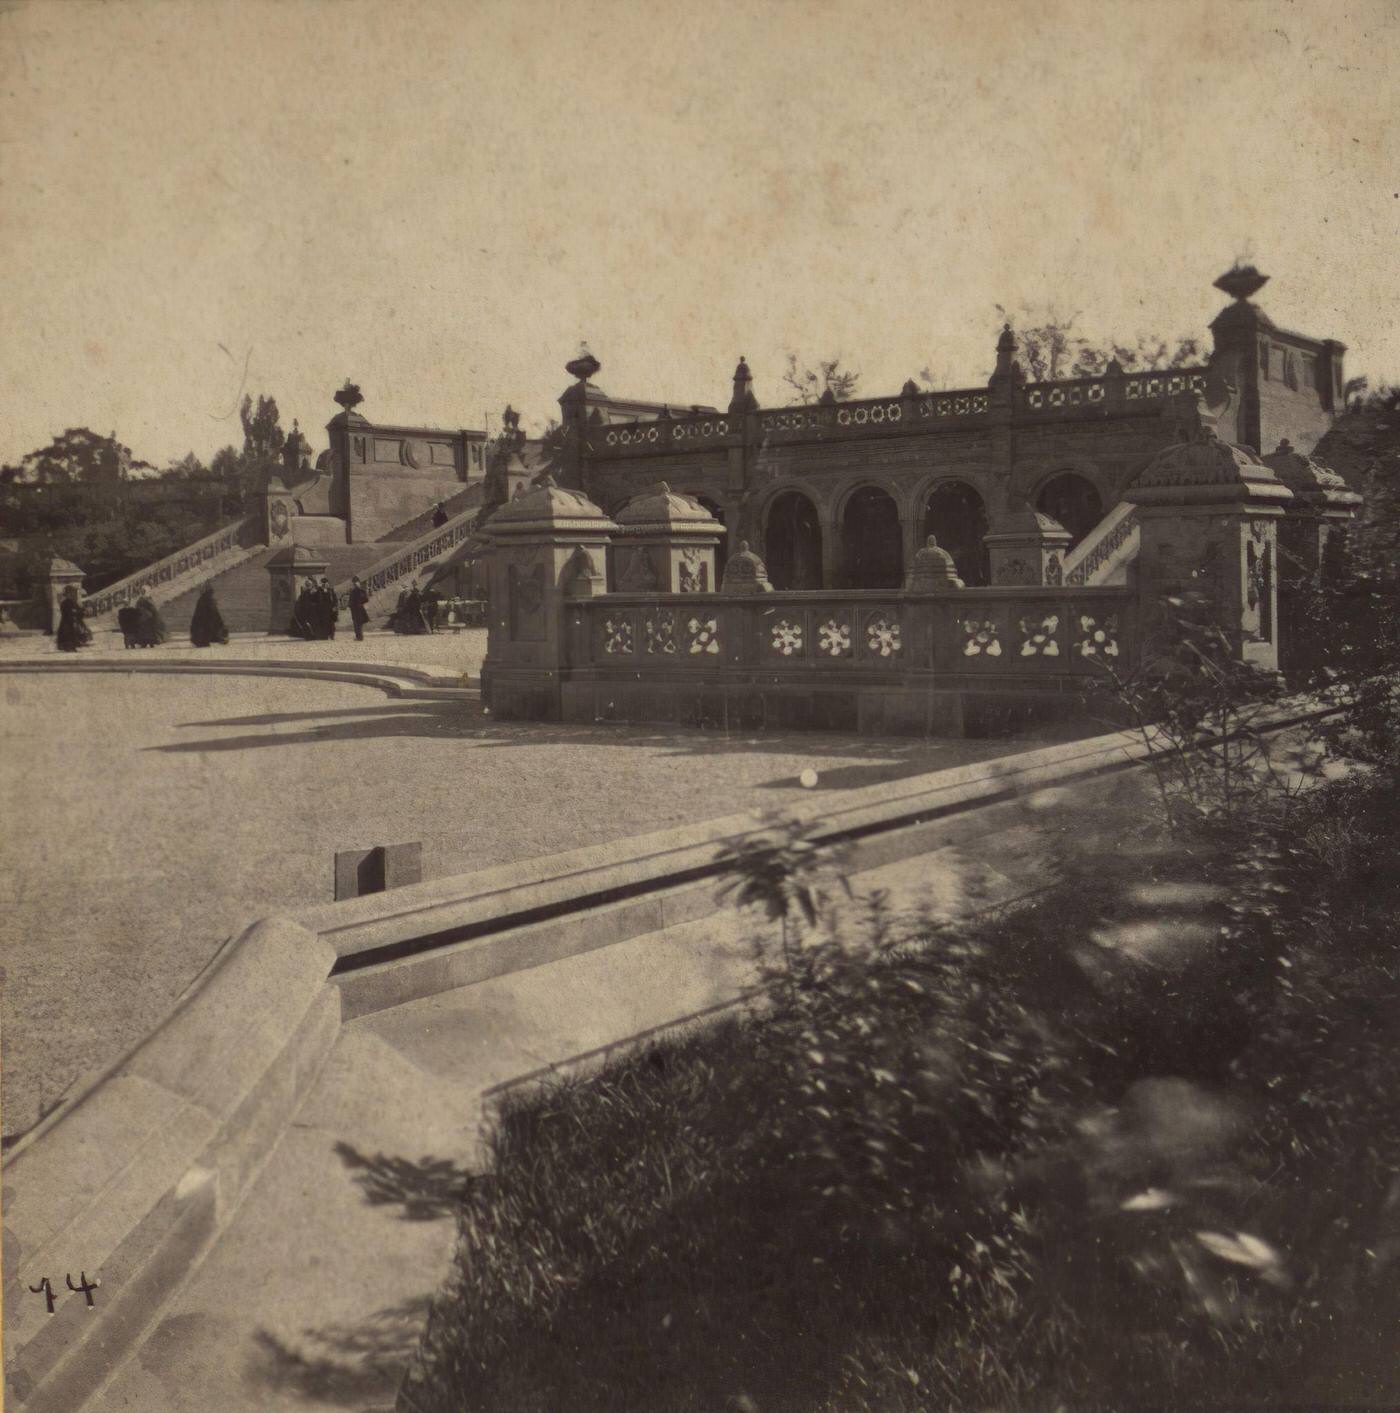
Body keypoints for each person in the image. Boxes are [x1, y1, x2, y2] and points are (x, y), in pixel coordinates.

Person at [55, 585, 92, 652]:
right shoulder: (65, 603)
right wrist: (77, 612)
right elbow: (70, 612)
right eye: (71, 593)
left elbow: (78, 610)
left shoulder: (72, 602)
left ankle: (72, 645)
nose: (73, 595)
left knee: (72, 634)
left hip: (71, 622)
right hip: (67, 623)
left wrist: (83, 611)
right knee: (68, 635)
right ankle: (69, 647)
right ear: (68, 594)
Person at [348, 576, 370, 642]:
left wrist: (360, 602)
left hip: (359, 609)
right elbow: (351, 601)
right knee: (356, 623)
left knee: (359, 623)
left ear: (358, 583)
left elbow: (366, 599)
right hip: (355, 609)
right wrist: (351, 606)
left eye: (356, 582)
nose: (355, 584)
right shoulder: (353, 591)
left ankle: (359, 636)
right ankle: (358, 636)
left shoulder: (361, 590)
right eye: (354, 583)